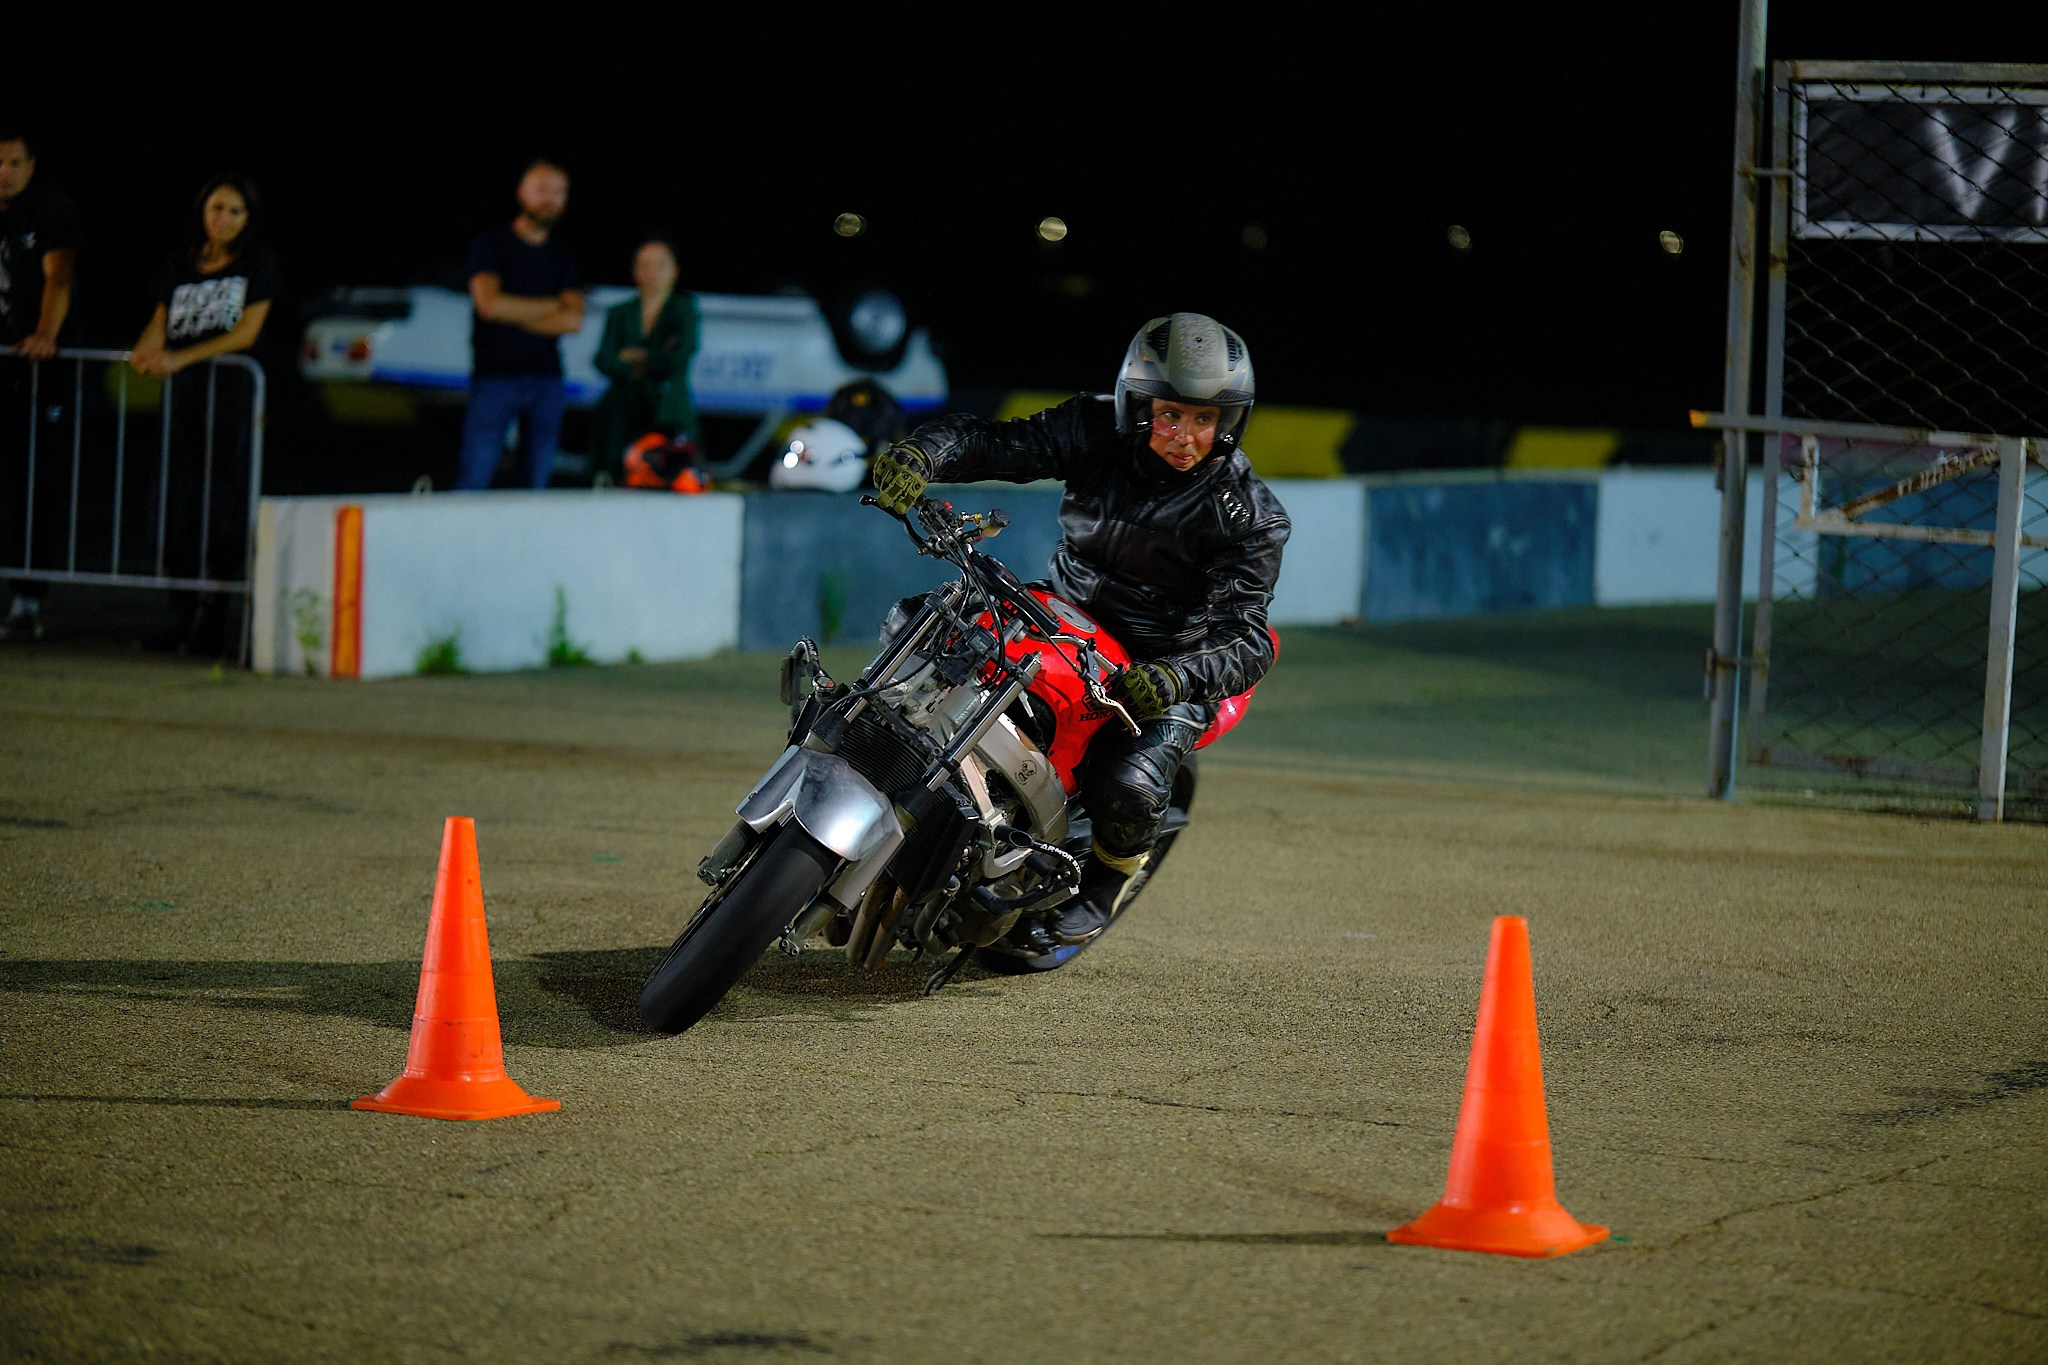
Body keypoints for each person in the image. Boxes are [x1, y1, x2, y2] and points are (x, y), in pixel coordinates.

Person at [871, 313, 1290, 945]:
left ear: (1230, 420)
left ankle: (1106, 884)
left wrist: (1176, 677)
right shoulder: (1094, 429)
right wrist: (924, 454)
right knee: (917, 623)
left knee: (1130, 787)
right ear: (1137, 407)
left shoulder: (1250, 516)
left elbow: (1247, 636)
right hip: (1060, 611)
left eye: (1206, 419)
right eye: (1170, 415)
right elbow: (997, 443)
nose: (1186, 436)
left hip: (1160, 660)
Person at [128, 173, 279, 656]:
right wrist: (146, 351)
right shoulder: (181, 263)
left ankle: (212, 617)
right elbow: (159, 322)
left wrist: (181, 358)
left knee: (222, 506)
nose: (224, 219)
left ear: (249, 219)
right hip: (184, 400)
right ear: (202, 211)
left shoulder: (259, 263)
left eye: (235, 211)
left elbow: (247, 333)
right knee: (177, 503)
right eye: (217, 208)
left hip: (231, 399)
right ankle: (179, 612)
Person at [457, 160, 584, 490]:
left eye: (559, 192)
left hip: (547, 380)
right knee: (476, 474)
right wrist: (551, 305)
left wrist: (513, 311)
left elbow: (573, 319)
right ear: (521, 193)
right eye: (542, 190)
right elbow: (489, 305)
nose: (550, 199)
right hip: (495, 378)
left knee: (535, 483)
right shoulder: (491, 244)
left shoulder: (563, 257)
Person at [0, 130, 81, 641]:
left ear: (31, 166)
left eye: (13, 162)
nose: (4, 172)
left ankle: (28, 599)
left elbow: (60, 275)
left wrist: (45, 334)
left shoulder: (52, 210)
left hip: (37, 375)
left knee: (32, 484)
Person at [591, 236, 699, 483]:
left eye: (660, 265)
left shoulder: (683, 310)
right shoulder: (620, 313)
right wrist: (646, 362)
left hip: (668, 411)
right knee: (618, 473)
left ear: (674, 271)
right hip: (624, 411)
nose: (652, 273)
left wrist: (639, 356)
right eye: (645, 265)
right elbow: (604, 359)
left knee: (672, 474)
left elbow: (678, 357)